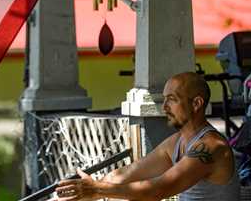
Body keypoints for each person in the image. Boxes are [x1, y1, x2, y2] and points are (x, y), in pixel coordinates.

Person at [56, 72, 240, 201]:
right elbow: (124, 175)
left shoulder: (211, 146)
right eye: (165, 99)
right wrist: (82, 190)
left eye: (172, 99)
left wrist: (96, 190)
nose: (165, 107)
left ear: (197, 103)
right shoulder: (176, 142)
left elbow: (157, 190)